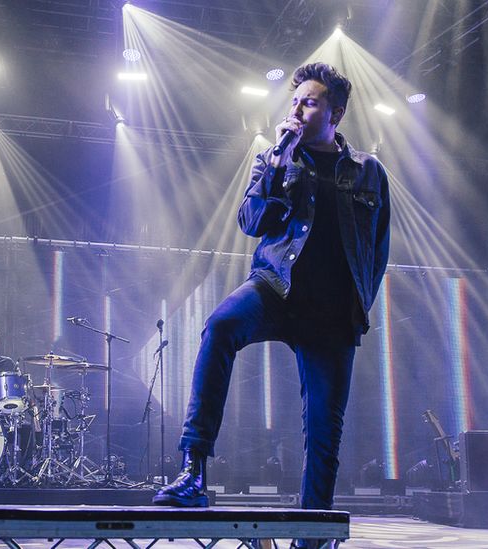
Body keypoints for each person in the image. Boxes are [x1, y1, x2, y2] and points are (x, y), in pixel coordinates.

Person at [153, 62, 390, 524]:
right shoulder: (274, 158)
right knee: (220, 326)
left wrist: (359, 305)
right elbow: (251, 223)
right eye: (295, 100)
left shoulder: (368, 171)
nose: (298, 109)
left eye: (310, 101)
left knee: (324, 433)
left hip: (332, 313)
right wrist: (279, 167)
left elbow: (378, 248)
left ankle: (311, 535)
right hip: (275, 286)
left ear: (335, 113)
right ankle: (194, 472)